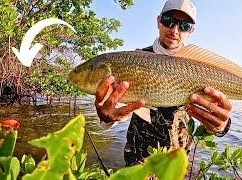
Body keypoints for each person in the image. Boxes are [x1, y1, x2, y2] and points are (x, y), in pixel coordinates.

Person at [94, 0, 232, 166]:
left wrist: (221, 126)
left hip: (177, 166)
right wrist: (106, 117)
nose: (174, 30)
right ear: (158, 21)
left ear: (191, 31)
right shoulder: (133, 59)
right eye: (168, 21)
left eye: (184, 26)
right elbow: (115, 112)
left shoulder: (201, 68)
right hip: (138, 163)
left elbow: (219, 113)